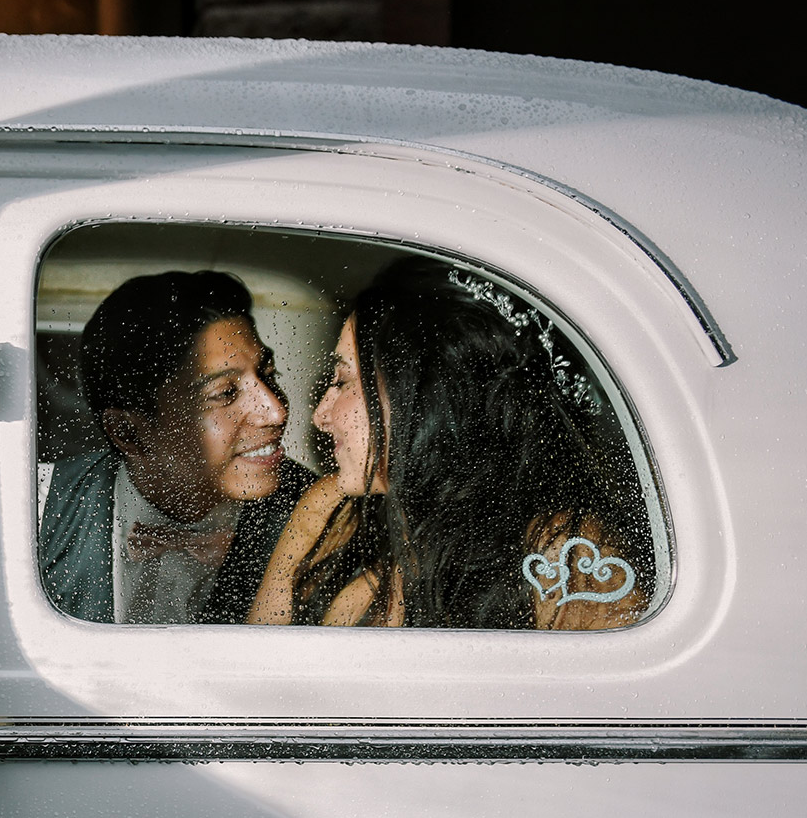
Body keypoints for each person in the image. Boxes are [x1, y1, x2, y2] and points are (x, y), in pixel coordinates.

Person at [248, 257, 651, 630]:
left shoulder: (564, 554)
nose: (320, 415)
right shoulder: (330, 508)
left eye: (343, 381)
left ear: (428, 399)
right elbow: (252, 668)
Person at [38, 270, 309, 624]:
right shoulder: (37, 508)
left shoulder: (316, 513)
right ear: (127, 433)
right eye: (225, 393)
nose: (275, 410)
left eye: (268, 375)